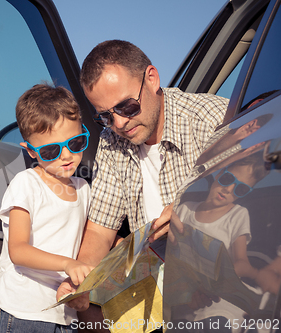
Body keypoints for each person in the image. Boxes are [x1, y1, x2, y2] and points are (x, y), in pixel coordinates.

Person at [57, 40, 230, 331]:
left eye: (127, 106)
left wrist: (190, 207)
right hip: (166, 294)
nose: (120, 123)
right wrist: (80, 283)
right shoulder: (111, 144)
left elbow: (256, 193)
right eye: (106, 115)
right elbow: (100, 230)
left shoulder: (211, 119)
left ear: (152, 79)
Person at [0, 83, 94, 333]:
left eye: (76, 142)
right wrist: (68, 264)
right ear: (31, 151)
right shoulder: (27, 183)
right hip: (20, 311)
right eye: (50, 150)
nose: (66, 155)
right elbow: (19, 250)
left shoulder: (84, 189)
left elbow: (92, 238)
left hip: (65, 314)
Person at [169, 153, 270, 331]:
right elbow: (170, 254)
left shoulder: (237, 215)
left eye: (240, 189)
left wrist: (210, 283)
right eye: (227, 178)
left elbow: (242, 263)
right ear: (219, 172)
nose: (229, 189)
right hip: (185, 297)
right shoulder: (184, 209)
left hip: (218, 300)